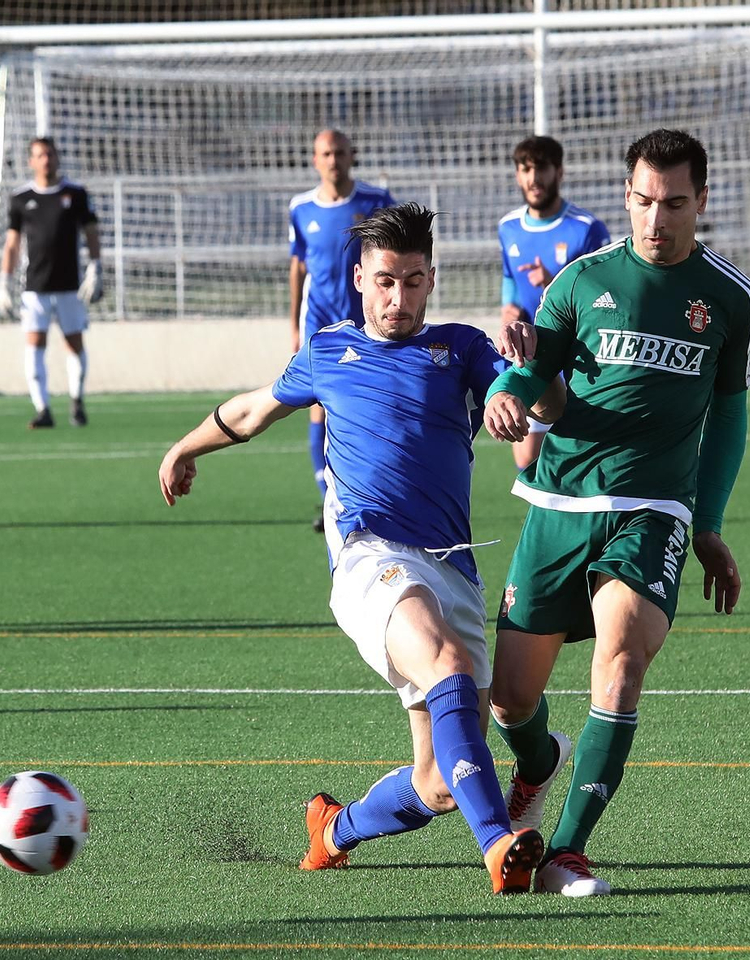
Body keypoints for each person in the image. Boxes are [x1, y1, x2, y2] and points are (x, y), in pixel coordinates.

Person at [158, 203, 560, 894]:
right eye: (383, 281)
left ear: (431, 279)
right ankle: (498, 845)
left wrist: (522, 385)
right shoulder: (328, 351)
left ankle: (334, 829)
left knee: (438, 783)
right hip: (370, 556)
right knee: (447, 662)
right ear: (358, 279)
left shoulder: (461, 348)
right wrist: (185, 447)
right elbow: (253, 409)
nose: (396, 297)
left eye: (410, 281)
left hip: (453, 567)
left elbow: (543, 404)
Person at [483, 129, 750, 896]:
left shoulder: (729, 300)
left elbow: (730, 421)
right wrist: (508, 395)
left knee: (623, 660)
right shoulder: (579, 281)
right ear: (627, 197)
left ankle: (565, 851)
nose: (656, 219)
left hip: (654, 509)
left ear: (701, 200)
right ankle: (539, 761)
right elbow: (536, 374)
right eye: (643, 201)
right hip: (560, 502)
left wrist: (706, 523)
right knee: (509, 698)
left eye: (674, 203)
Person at [288, 129, 395, 531]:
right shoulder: (301, 208)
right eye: (326, 154)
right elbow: (298, 265)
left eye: (340, 153)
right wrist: (294, 324)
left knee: (369, 407)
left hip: (366, 325)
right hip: (319, 324)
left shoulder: (375, 201)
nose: (333, 160)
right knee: (318, 410)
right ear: (315, 160)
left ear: (353, 156)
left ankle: (374, 492)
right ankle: (328, 499)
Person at [498, 135, 613, 469]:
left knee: (581, 444)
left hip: (581, 352)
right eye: (525, 169)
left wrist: (553, 283)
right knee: (525, 453)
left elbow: (603, 295)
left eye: (542, 168)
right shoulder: (508, 227)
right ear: (518, 175)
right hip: (534, 352)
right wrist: (509, 311)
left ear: (559, 172)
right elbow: (510, 280)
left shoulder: (586, 228)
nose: (534, 178)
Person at [0, 137, 103, 429]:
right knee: (34, 346)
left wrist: (96, 268)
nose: (46, 160)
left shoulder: (75, 195)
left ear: (57, 158)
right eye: (40, 155)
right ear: (31, 161)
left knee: (75, 345)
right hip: (35, 290)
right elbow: (12, 244)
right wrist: (3, 281)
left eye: (50, 154)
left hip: (70, 287)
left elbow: (91, 232)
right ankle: (42, 409)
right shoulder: (21, 199)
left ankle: (77, 402)